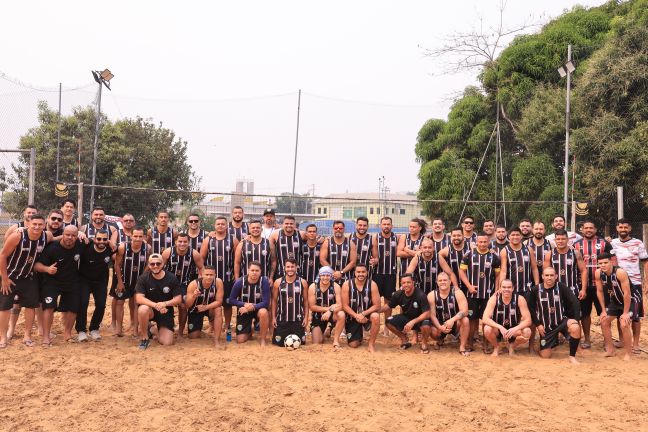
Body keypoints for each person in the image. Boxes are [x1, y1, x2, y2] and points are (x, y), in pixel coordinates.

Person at [0, 214, 51, 348]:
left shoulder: (46, 236)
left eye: (40, 224)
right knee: (5, 307)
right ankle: (3, 337)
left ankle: (27, 336)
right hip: (10, 277)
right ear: (27, 224)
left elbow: (60, 237)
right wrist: (4, 278)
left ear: (44, 226)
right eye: (34, 224)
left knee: (30, 306)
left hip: (28, 277)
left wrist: (80, 233)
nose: (37, 227)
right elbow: (3, 255)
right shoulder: (18, 236)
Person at [34, 225, 85, 345]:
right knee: (49, 307)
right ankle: (46, 336)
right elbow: (37, 265)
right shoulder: (52, 248)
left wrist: (86, 236)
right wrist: (47, 269)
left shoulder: (80, 245)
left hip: (71, 281)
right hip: (52, 281)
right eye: (67, 234)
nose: (70, 237)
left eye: (73, 235)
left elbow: (96, 243)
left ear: (77, 236)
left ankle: (67, 334)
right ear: (63, 234)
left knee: (73, 308)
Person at [528, 267, 581, 364]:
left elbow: (575, 302)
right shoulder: (535, 290)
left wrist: (575, 319)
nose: (549, 278)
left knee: (575, 327)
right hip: (546, 327)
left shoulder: (561, 287)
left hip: (561, 321)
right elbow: (531, 308)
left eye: (552, 275)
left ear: (556, 276)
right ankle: (551, 343)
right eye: (547, 275)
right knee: (545, 356)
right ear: (542, 276)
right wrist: (538, 324)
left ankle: (572, 356)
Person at [573, 220, 613, 349]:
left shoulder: (604, 243)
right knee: (585, 314)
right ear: (582, 230)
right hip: (583, 285)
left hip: (601, 285)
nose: (588, 230)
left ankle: (607, 342)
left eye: (591, 228)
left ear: (595, 229)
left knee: (604, 312)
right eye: (586, 228)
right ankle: (587, 339)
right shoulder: (576, 245)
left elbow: (612, 261)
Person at [610, 218, 648, 354]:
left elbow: (645, 263)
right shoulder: (613, 243)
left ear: (630, 228)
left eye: (625, 227)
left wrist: (646, 282)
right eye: (621, 227)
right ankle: (622, 340)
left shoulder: (638, 243)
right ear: (617, 229)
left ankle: (636, 344)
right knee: (621, 312)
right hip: (618, 284)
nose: (623, 230)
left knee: (636, 315)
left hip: (635, 284)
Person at [459, 232, 501, 353]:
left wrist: (496, 290)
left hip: (488, 295)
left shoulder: (494, 257)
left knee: (486, 319)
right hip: (472, 294)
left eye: (485, 242)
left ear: (489, 243)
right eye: (480, 242)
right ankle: (470, 343)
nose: (482, 244)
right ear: (476, 242)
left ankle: (485, 345)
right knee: (472, 320)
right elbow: (461, 272)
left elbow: (497, 275)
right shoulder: (469, 255)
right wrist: (469, 286)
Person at [201, 216, 239, 339]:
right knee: (212, 303)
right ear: (214, 225)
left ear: (227, 225)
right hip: (211, 280)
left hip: (227, 279)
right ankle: (213, 325)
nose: (220, 226)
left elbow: (237, 260)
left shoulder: (233, 240)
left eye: (223, 224)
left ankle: (227, 326)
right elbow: (202, 259)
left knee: (227, 305)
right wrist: (202, 275)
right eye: (218, 224)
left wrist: (235, 275)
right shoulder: (208, 240)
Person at [135, 254, 182, 350]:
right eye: (152, 264)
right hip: (151, 310)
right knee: (142, 309)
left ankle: (152, 329)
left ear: (162, 264)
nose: (155, 266)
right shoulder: (143, 278)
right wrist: (156, 305)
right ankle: (144, 338)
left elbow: (178, 299)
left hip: (165, 311)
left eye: (158, 263)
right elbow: (139, 298)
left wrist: (165, 304)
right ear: (148, 265)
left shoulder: (171, 278)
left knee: (167, 342)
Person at [161, 233, 204, 336]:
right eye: (180, 241)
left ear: (188, 242)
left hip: (185, 284)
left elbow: (201, 268)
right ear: (175, 242)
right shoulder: (168, 252)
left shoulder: (194, 253)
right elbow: (160, 267)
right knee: (164, 303)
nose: (182, 244)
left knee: (183, 306)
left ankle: (180, 331)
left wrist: (199, 283)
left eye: (185, 242)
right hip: (169, 283)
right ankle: (165, 326)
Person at [75, 229, 113, 342]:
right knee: (83, 303)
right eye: (99, 239)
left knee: (101, 305)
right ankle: (81, 330)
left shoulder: (111, 249)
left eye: (105, 239)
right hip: (84, 280)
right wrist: (80, 233)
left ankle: (94, 329)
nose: (101, 241)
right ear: (94, 239)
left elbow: (122, 248)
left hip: (101, 281)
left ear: (108, 240)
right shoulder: (86, 245)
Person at [595, 253, 633, 360]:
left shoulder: (620, 272)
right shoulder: (598, 273)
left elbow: (627, 293)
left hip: (630, 300)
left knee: (624, 324)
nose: (603, 265)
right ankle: (610, 350)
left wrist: (625, 313)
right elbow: (599, 291)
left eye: (605, 262)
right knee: (604, 320)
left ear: (611, 262)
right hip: (615, 301)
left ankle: (628, 353)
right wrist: (603, 310)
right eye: (600, 263)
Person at [112, 227, 149, 337]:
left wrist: (142, 278)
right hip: (124, 279)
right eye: (135, 236)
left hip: (138, 281)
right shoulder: (123, 247)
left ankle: (135, 330)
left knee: (136, 303)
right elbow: (117, 265)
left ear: (144, 237)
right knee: (120, 302)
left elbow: (148, 264)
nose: (138, 239)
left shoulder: (147, 248)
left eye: (140, 236)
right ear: (131, 236)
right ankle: (119, 328)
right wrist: (119, 281)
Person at [482, 279, 532, 356]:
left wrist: (515, 328)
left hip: (513, 330)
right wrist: (500, 327)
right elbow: (485, 318)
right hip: (498, 330)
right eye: (504, 287)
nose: (506, 289)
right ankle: (496, 347)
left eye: (509, 287)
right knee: (487, 329)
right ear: (500, 288)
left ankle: (512, 346)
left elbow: (528, 320)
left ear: (513, 288)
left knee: (527, 331)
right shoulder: (494, 299)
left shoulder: (519, 299)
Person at [383, 273, 431, 352]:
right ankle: (404, 339)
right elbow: (388, 306)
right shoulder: (398, 294)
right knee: (388, 321)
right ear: (401, 284)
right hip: (407, 318)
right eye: (404, 283)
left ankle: (424, 343)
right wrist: (375, 310)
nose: (406, 285)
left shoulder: (420, 295)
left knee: (426, 325)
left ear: (413, 282)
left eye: (408, 282)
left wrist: (413, 322)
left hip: (419, 320)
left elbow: (427, 313)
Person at [425, 272, 470, 355]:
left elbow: (465, 311)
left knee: (465, 320)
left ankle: (462, 347)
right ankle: (440, 339)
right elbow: (432, 315)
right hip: (440, 325)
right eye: (440, 280)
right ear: (437, 282)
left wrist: (452, 320)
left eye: (445, 280)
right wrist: (440, 327)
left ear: (450, 281)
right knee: (430, 327)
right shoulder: (432, 295)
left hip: (455, 323)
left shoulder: (457, 293)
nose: (443, 282)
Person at [229, 261, 271, 345]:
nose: (254, 273)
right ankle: (250, 329)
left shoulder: (264, 281)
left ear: (260, 272)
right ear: (248, 270)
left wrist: (253, 306)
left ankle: (263, 339)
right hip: (244, 310)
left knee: (264, 312)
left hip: (258, 309)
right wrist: (244, 304)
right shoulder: (240, 282)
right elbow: (231, 300)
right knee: (240, 340)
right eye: (252, 270)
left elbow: (266, 302)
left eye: (257, 270)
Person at [341, 263, 381, 352]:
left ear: (367, 273)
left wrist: (363, 314)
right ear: (354, 273)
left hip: (367, 315)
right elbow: (345, 305)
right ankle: (360, 334)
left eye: (363, 272)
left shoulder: (372, 284)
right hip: (352, 316)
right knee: (353, 345)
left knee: (376, 316)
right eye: (358, 272)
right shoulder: (347, 284)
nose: (361, 274)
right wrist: (356, 316)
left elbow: (377, 305)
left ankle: (371, 344)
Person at [271, 259, 309, 346]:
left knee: (300, 344)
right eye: (288, 267)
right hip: (282, 320)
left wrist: (306, 317)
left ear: (296, 267)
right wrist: (273, 317)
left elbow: (306, 302)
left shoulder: (302, 282)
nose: (290, 269)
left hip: (298, 320)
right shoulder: (278, 282)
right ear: (284, 268)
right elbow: (274, 301)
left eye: (292, 267)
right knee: (278, 344)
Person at [371, 217, 399, 336]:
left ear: (391, 225)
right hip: (377, 273)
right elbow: (375, 255)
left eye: (388, 224)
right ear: (380, 225)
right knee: (375, 301)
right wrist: (375, 260)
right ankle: (374, 325)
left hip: (391, 274)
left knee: (388, 301)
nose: (386, 226)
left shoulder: (396, 237)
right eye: (384, 224)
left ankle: (387, 327)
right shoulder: (375, 237)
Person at [185, 266, 223, 347]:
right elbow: (187, 305)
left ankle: (216, 340)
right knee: (193, 336)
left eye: (211, 275)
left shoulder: (218, 282)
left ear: (215, 275)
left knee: (218, 309)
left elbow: (219, 302)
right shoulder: (193, 284)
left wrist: (206, 307)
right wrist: (193, 296)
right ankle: (201, 330)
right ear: (201, 274)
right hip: (196, 308)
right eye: (207, 274)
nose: (209, 277)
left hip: (210, 308)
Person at [109, 213, 135, 331]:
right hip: (120, 269)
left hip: (134, 270)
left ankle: (133, 322)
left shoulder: (137, 234)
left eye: (131, 220)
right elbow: (113, 248)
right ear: (122, 222)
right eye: (126, 220)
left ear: (134, 222)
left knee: (133, 298)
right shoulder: (117, 233)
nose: (128, 222)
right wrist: (120, 257)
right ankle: (114, 322)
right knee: (117, 297)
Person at [543, 229, 587, 299]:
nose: (560, 241)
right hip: (555, 290)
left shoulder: (575, 253)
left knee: (574, 310)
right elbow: (545, 274)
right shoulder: (550, 254)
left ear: (567, 240)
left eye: (563, 239)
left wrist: (583, 289)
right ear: (555, 240)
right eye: (558, 239)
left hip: (573, 290)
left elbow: (583, 271)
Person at [308, 266, 344, 347]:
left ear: (331, 276)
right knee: (317, 342)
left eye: (328, 275)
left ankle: (335, 340)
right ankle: (326, 330)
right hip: (318, 316)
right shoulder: (313, 287)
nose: (325, 277)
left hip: (333, 315)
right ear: (319, 276)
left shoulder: (336, 286)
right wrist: (329, 309)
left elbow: (340, 305)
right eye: (323, 275)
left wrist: (330, 311)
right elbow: (312, 307)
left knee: (341, 314)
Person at [499, 228, 539, 294]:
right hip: (511, 289)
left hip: (527, 288)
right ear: (509, 237)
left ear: (521, 236)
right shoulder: (504, 251)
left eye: (517, 235)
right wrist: (501, 287)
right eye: (513, 235)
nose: (515, 237)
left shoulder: (529, 249)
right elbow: (503, 271)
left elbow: (534, 268)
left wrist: (537, 285)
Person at [320, 220, 357, 286]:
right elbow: (322, 260)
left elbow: (353, 262)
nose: (338, 230)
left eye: (340, 228)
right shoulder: (327, 242)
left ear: (344, 229)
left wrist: (341, 272)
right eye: (336, 228)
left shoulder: (351, 243)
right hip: (330, 277)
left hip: (346, 277)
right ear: (333, 229)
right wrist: (333, 272)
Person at [438, 227, 471, 295]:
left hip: (469, 284)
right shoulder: (446, 250)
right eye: (454, 236)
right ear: (451, 237)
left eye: (459, 235)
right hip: (453, 285)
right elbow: (435, 257)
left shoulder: (471, 247)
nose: (456, 237)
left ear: (463, 236)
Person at [269, 215, 303, 280]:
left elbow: (314, 237)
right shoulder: (275, 235)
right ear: (282, 224)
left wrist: (322, 238)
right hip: (280, 273)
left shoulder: (301, 234)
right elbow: (273, 259)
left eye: (291, 224)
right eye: (286, 223)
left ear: (295, 225)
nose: (289, 225)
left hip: (297, 273)